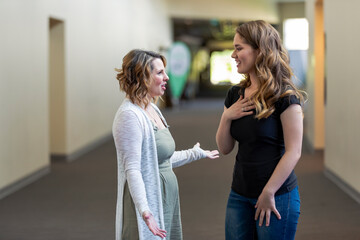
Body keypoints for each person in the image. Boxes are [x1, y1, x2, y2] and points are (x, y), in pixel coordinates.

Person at [113, 49, 219, 240]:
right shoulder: (129, 115)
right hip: (147, 202)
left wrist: (195, 153)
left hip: (164, 199)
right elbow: (133, 169)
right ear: (142, 76)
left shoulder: (152, 108)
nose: (167, 77)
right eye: (160, 72)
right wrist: (145, 212)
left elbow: (159, 160)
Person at [216, 20, 306, 240]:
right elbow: (224, 147)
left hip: (276, 195)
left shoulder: (285, 97)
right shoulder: (235, 94)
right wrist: (227, 117)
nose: (233, 55)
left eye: (239, 48)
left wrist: (268, 192)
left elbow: (294, 152)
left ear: (260, 50)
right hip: (239, 194)